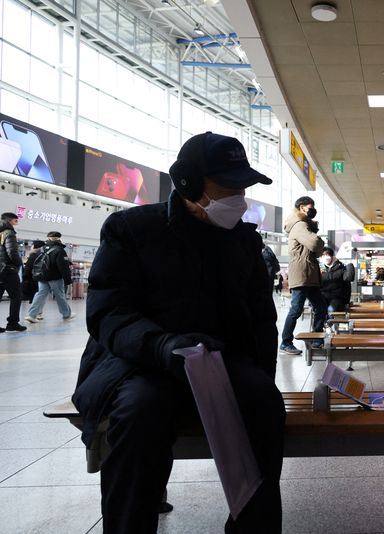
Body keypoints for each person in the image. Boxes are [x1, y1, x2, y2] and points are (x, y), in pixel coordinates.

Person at [71, 132, 285, 533]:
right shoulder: (131, 230)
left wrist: (260, 375)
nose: (238, 198)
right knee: (140, 412)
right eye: (227, 187)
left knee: (264, 404)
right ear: (188, 183)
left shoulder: (241, 241)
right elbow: (108, 313)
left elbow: (260, 318)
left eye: (242, 188)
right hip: (139, 365)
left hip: (218, 362)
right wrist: (163, 344)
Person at [280, 196, 326, 355]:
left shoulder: (306, 226)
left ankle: (316, 338)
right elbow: (315, 244)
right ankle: (286, 342)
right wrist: (320, 243)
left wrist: (318, 246)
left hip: (310, 274)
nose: (312, 209)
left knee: (320, 307)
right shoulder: (299, 225)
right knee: (296, 309)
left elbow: (317, 250)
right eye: (309, 207)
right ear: (301, 208)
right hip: (301, 273)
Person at [25, 231, 74, 322]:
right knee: (60, 295)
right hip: (55, 277)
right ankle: (66, 314)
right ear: (59, 238)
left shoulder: (41, 249)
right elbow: (63, 267)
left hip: (42, 276)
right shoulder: (59, 250)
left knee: (40, 294)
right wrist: (68, 280)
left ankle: (31, 315)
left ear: (48, 238)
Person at [0, 212, 27, 332]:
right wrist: (18, 264)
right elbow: (12, 253)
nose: (17, 224)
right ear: (10, 221)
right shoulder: (9, 233)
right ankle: (13, 323)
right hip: (8, 269)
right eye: (16, 221)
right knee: (16, 296)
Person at [320, 247, 355, 312]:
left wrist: (349, 264)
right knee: (320, 310)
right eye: (323, 255)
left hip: (337, 297)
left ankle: (329, 321)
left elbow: (348, 279)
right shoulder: (319, 268)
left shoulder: (340, 267)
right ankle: (324, 321)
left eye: (327, 255)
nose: (326, 257)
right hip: (322, 297)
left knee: (331, 310)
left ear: (332, 256)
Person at [22, 240, 45, 305]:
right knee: (38, 298)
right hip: (40, 279)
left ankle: (35, 314)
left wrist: (24, 277)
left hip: (32, 280)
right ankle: (37, 313)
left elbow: (28, 269)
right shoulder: (43, 256)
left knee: (34, 299)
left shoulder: (33, 256)